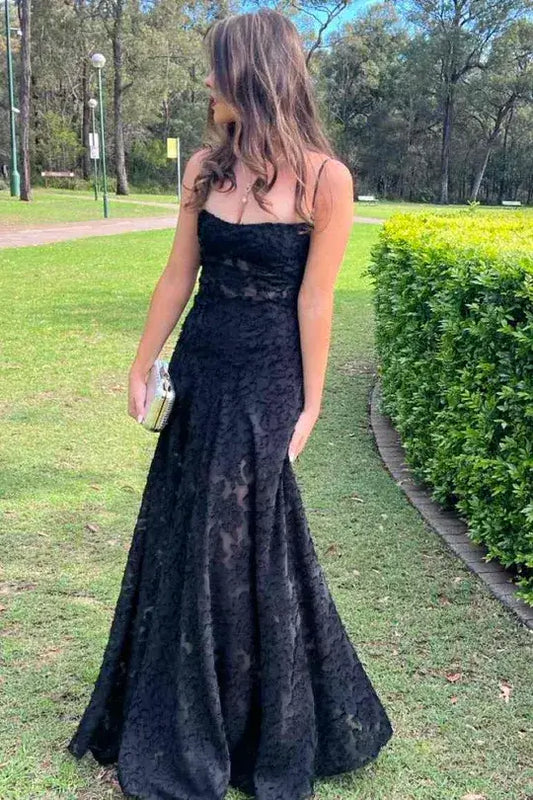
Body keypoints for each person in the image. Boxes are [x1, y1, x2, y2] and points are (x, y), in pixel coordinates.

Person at [66, 8, 393, 799]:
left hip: (267, 378)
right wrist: (143, 361)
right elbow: (179, 275)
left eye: (218, 66)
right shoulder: (205, 170)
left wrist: (311, 404)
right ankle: (181, 701)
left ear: (251, 75)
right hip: (202, 368)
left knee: (243, 539)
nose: (207, 80)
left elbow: (315, 301)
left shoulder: (325, 179)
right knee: (187, 526)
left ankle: (250, 718)